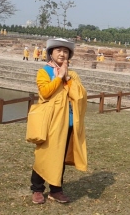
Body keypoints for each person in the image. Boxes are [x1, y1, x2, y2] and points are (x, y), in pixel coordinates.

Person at [30, 38, 88, 205]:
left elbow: (80, 96)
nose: (62, 54)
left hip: (68, 122)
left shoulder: (73, 75)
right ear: (51, 53)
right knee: (44, 155)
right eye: (59, 51)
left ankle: (56, 190)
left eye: (66, 51)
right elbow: (45, 92)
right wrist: (58, 78)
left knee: (59, 157)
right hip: (50, 122)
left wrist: (68, 78)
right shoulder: (44, 72)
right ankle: (37, 189)